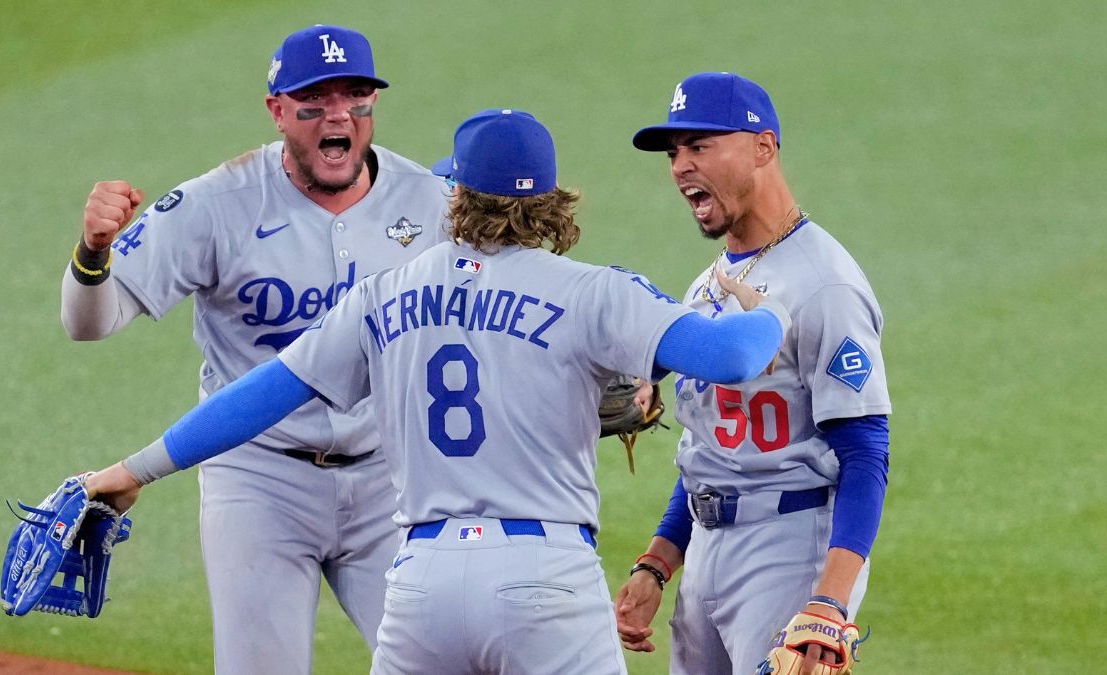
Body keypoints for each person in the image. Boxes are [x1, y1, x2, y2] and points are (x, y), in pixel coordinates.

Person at [80, 108, 792, 674]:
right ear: (550, 198)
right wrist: (773, 306)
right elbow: (730, 356)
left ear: (453, 196)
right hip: (543, 578)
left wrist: (132, 469)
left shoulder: (383, 294)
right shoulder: (594, 291)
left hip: (421, 585)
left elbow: (263, 393)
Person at [60, 25, 451, 674]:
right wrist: (93, 252)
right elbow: (89, 323)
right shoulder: (217, 204)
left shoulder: (429, 202)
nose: (338, 116)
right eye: (313, 102)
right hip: (259, 481)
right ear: (276, 111)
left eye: (356, 98)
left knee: (445, 663)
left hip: (394, 480)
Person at [612, 72, 892, 675]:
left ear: (763, 147)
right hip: (707, 554)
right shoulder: (706, 286)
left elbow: (866, 452)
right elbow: (711, 447)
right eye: (674, 152)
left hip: (790, 551)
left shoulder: (826, 284)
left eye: (700, 145)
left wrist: (831, 600)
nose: (681, 165)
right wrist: (659, 559)